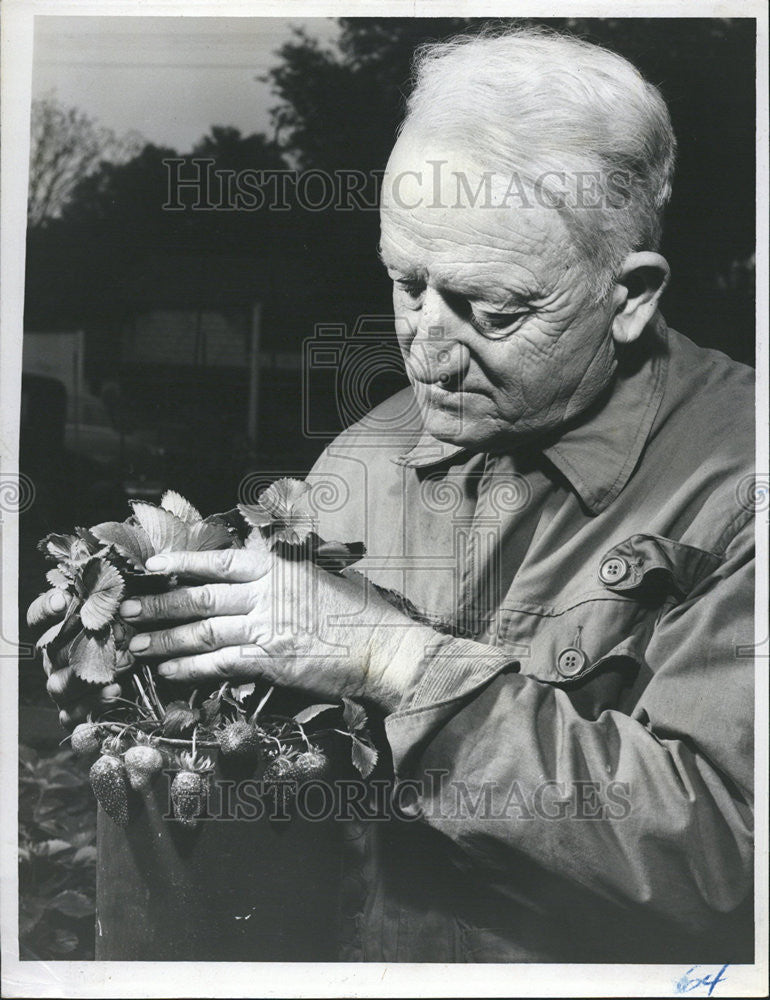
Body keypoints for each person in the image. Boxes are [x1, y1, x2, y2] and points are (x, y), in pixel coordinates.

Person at [34, 28, 754, 963]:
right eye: (406, 283)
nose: (429, 349)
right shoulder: (364, 456)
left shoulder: (740, 484)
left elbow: (729, 860)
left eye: (492, 311)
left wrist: (399, 663)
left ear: (630, 296)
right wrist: (159, 658)